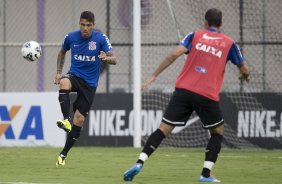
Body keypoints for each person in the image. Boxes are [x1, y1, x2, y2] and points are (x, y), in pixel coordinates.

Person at [123, 8, 249, 182]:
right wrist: (245, 75)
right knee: (218, 131)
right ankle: (205, 174)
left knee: (163, 129)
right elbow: (244, 68)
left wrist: (154, 75)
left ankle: (139, 162)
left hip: (183, 91)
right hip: (206, 94)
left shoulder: (195, 35)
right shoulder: (229, 43)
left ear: (205, 23)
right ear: (221, 24)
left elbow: (174, 54)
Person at [53, 11, 117, 166]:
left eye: (88, 25)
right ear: (79, 24)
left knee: (80, 119)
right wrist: (58, 73)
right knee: (64, 83)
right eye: (83, 25)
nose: (85, 28)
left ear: (93, 25)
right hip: (75, 75)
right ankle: (66, 120)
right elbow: (62, 52)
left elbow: (114, 59)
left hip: (89, 84)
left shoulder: (100, 38)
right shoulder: (71, 37)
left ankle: (63, 154)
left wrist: (107, 58)